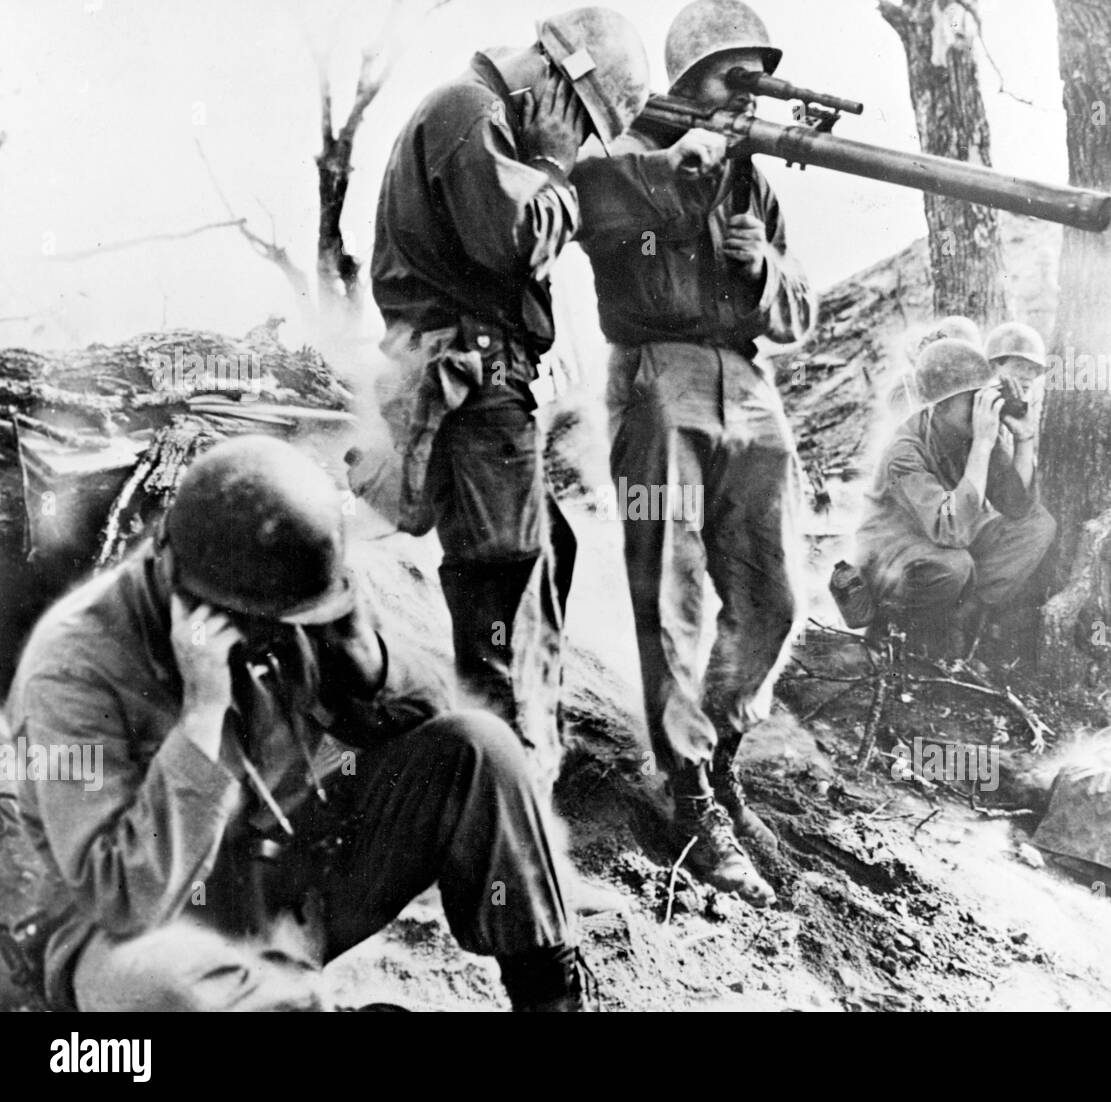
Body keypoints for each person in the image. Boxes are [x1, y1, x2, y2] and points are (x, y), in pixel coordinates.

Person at [6, 436, 590, 1012]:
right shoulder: (73, 668)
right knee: (171, 991)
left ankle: (552, 998)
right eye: (275, 623)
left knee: (477, 748)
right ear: (201, 597)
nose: (288, 635)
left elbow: (433, 727)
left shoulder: (280, 596)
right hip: (143, 930)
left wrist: (369, 660)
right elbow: (121, 896)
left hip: (279, 879)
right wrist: (202, 716)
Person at [352, 8, 651, 787]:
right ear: (558, 81)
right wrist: (554, 166)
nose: (580, 143)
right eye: (582, 124)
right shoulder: (471, 110)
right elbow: (510, 241)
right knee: (505, 572)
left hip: (483, 379)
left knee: (540, 552)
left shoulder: (482, 119)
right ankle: (501, 769)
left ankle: (518, 745)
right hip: (474, 380)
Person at [570, 0, 816, 907]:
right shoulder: (624, 156)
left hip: (747, 387)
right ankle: (687, 794)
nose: (745, 93)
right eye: (731, 75)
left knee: (775, 594)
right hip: (657, 377)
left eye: (756, 75)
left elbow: (799, 315)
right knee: (669, 592)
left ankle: (718, 757)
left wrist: (764, 271)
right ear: (685, 84)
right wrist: (688, 165)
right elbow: (609, 219)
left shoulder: (756, 185)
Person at [844, 338, 1056, 656]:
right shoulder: (905, 452)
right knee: (954, 565)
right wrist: (983, 445)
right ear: (939, 405)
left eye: (981, 397)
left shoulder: (968, 434)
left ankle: (962, 617)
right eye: (970, 400)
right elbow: (951, 528)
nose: (980, 409)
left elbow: (1017, 507)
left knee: (1038, 526)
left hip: (940, 547)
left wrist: (1024, 438)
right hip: (891, 559)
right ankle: (902, 632)